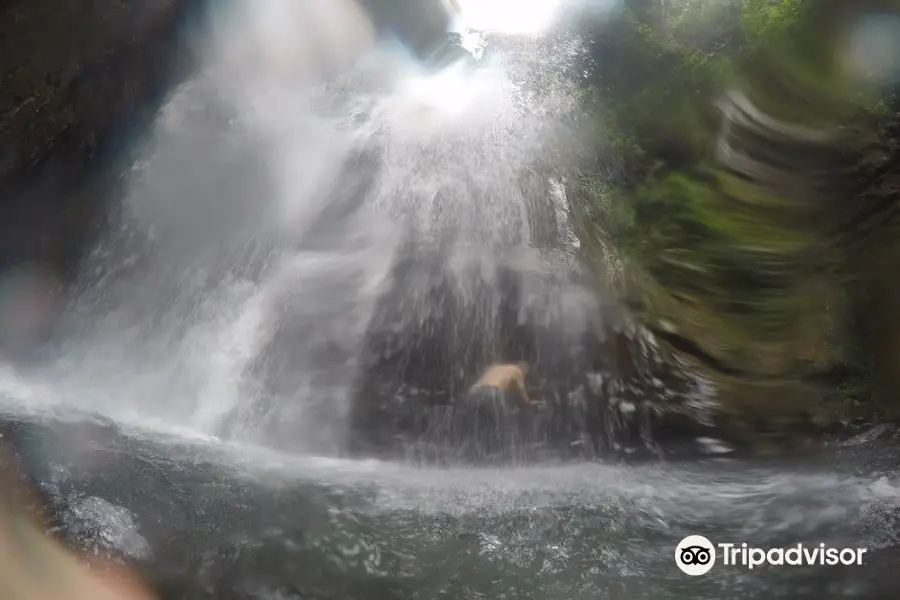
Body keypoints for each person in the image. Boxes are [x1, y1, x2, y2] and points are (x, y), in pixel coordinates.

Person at [452, 362, 541, 460]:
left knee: (479, 426)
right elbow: (522, 397)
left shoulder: (494, 367)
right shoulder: (518, 372)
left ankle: (469, 455)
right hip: (492, 394)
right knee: (504, 425)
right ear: (524, 371)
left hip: (472, 394)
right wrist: (531, 405)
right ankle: (506, 456)